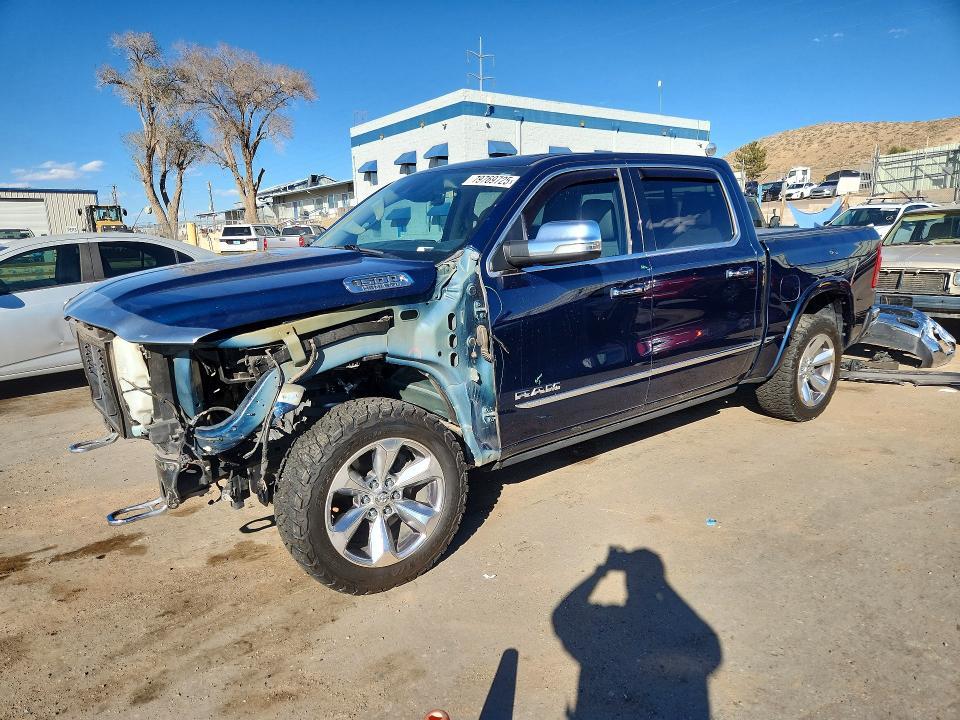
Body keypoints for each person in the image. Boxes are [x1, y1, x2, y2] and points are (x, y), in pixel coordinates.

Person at [552, 547, 721, 719]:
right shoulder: (673, 629)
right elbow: (709, 645)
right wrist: (662, 585)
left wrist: (602, 571)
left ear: (627, 582)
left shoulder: (608, 621)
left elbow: (563, 614)